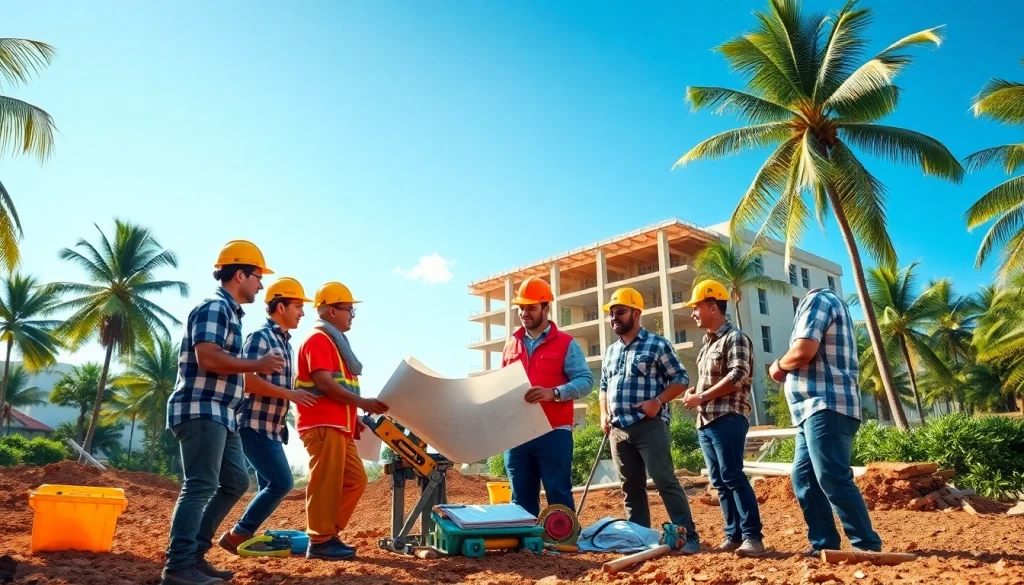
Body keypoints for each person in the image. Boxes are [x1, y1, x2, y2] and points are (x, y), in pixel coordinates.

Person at [163, 240, 286, 585]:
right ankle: (178, 566)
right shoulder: (214, 307)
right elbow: (209, 358)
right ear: (241, 274)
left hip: (223, 413)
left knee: (236, 481)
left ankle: (195, 557)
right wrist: (257, 364)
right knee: (200, 484)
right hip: (202, 409)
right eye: (258, 277)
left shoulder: (229, 313)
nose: (261, 285)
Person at [769, 287, 883, 555]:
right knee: (804, 477)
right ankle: (824, 545)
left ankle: (866, 545)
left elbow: (803, 350)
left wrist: (778, 366)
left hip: (826, 404)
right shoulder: (827, 302)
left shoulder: (816, 299)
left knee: (831, 475)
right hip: (811, 409)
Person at [217, 277, 320, 554]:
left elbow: (286, 387)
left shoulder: (285, 343)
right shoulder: (261, 337)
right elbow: (245, 380)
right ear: (280, 306)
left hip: (272, 428)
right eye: (297, 306)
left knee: (269, 487)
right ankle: (237, 534)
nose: (302, 312)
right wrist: (290, 395)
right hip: (253, 424)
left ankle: (249, 540)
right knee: (282, 482)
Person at [599, 286, 701, 555]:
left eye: (620, 312)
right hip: (618, 430)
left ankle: (688, 535)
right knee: (630, 487)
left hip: (649, 426)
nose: (614, 318)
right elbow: (603, 385)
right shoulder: (610, 352)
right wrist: (603, 412)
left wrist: (658, 401)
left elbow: (681, 378)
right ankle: (639, 537)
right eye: (611, 314)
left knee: (664, 480)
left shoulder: (657, 344)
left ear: (636, 312)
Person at [293, 281, 389, 560]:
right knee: (325, 483)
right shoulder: (319, 340)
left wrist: (354, 415)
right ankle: (320, 540)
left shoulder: (333, 342)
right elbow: (324, 383)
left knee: (356, 480)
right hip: (323, 425)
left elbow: (337, 386)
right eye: (349, 310)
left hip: (339, 425)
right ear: (332, 310)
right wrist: (362, 403)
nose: (351, 316)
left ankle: (326, 533)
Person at [681, 280, 764, 557]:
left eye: (696, 307)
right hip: (707, 421)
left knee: (732, 475)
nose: (693, 313)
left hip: (728, 417)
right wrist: (696, 392)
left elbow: (738, 375)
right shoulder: (707, 345)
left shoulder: (735, 338)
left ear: (712, 306)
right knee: (718, 481)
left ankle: (753, 537)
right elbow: (714, 381)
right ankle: (734, 535)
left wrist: (701, 398)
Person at [500, 276, 594, 517]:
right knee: (520, 496)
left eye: (531, 307)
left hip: (553, 431)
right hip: (516, 433)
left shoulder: (566, 343)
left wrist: (553, 393)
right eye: (521, 308)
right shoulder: (511, 344)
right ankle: (525, 551)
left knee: (558, 492)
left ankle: (563, 544)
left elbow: (586, 381)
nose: (524, 313)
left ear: (546, 308)